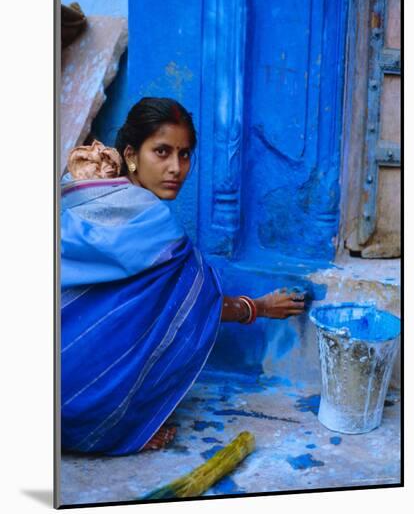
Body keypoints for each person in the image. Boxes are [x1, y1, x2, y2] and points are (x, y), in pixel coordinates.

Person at [61, 97, 305, 456]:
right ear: (131, 155)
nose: (176, 167)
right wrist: (259, 307)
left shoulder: (81, 195)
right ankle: (115, 423)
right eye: (161, 152)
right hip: (82, 406)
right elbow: (196, 304)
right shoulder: (156, 226)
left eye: (185, 154)